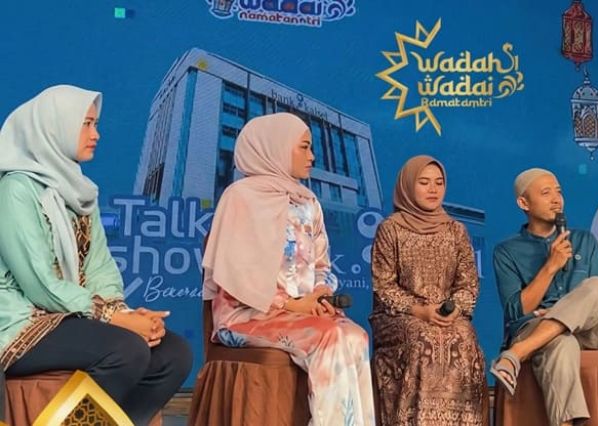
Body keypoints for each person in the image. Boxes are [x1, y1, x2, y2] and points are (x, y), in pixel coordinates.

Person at [0, 85, 192, 425]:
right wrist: (113, 318)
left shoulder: (79, 190)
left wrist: (124, 312)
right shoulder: (16, 189)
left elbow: (100, 267)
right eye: (86, 124)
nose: (96, 134)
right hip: (20, 321)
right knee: (126, 349)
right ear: (54, 128)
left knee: (173, 354)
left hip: (68, 315)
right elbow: (38, 284)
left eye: (96, 124)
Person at [201, 112, 375, 426]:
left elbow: (322, 264)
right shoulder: (240, 198)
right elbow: (235, 279)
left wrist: (321, 293)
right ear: (276, 147)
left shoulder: (308, 202)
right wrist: (292, 305)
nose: (312, 157)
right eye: (304, 147)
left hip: (302, 312)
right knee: (331, 337)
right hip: (247, 314)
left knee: (355, 335)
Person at [492, 168, 598, 426]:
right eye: (546, 193)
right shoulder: (507, 251)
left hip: (590, 331)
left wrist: (555, 313)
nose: (556, 199)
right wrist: (550, 267)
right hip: (538, 329)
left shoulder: (584, 240)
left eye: (558, 192)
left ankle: (516, 353)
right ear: (524, 203)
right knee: (561, 343)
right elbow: (516, 312)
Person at [370, 155, 488, 426]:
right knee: (422, 337)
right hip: (399, 316)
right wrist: (420, 311)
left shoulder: (456, 230)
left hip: (446, 314)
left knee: (463, 335)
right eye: (424, 183)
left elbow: (468, 283)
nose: (433, 189)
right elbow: (384, 286)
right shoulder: (390, 229)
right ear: (408, 186)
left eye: (439, 182)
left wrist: (454, 308)